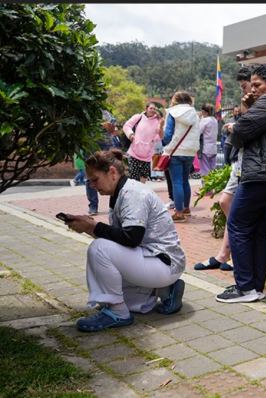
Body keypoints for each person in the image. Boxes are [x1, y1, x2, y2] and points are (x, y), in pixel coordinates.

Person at [64, 149, 186, 332]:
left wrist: (92, 227)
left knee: (99, 249)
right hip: (153, 260)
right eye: (90, 182)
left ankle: (118, 313)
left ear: (112, 172)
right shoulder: (121, 192)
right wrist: (89, 227)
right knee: (119, 295)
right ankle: (165, 290)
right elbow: (122, 239)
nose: (92, 186)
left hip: (163, 262)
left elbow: (131, 238)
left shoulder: (132, 193)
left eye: (95, 179)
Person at [215, 64, 266, 303]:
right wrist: (248, 112)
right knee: (257, 228)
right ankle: (254, 287)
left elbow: (240, 134)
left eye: (258, 84)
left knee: (238, 223)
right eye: (252, 85)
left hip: (261, 173)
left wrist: (240, 120)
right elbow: (250, 130)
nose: (253, 89)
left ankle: (245, 286)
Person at [193, 66, 256, 276]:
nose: (245, 90)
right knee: (225, 202)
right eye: (245, 86)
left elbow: (247, 130)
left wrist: (235, 127)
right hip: (238, 159)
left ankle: (232, 255)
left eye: (246, 85)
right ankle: (224, 254)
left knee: (232, 207)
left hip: (247, 162)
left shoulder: (258, 101)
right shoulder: (247, 101)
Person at [162, 91, 200, 223]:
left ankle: (178, 213)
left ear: (175, 100)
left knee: (176, 181)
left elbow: (167, 135)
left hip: (175, 151)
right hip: (190, 152)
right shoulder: (194, 113)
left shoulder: (172, 112)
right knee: (185, 181)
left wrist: (163, 143)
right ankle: (186, 208)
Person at [85, 111, 120, 215]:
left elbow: (113, 130)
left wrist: (109, 126)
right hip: (90, 147)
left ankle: (114, 205)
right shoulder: (87, 111)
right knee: (90, 177)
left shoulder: (107, 114)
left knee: (112, 174)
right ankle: (93, 206)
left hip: (106, 147)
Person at [123, 103, 164, 183]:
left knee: (143, 180)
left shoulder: (157, 121)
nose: (153, 110)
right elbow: (127, 125)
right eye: (151, 108)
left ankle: (139, 194)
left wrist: (161, 127)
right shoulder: (139, 117)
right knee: (133, 178)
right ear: (146, 108)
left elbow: (160, 136)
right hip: (134, 152)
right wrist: (130, 134)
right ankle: (133, 194)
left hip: (147, 155)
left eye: (154, 109)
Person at [197, 103, 218, 177]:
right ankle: (212, 187)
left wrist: (198, 119)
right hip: (213, 148)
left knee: (205, 170)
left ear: (204, 111)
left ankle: (206, 187)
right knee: (212, 170)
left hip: (205, 149)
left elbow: (198, 132)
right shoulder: (215, 120)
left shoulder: (205, 120)